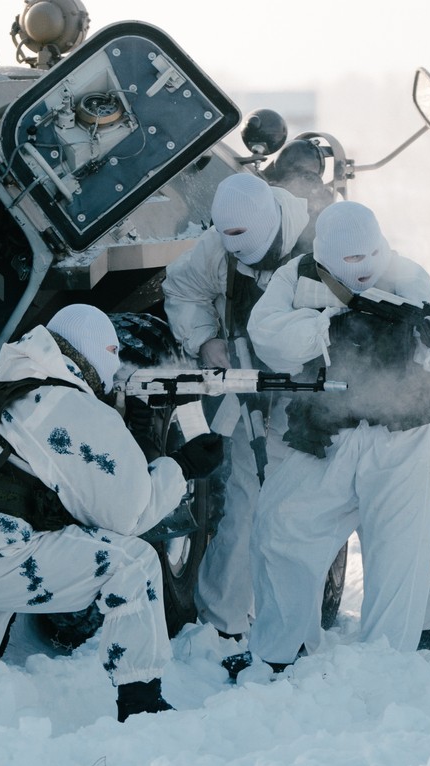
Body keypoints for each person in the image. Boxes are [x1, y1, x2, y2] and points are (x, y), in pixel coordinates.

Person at [0, 304, 224, 721]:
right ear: (101, 354)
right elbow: (129, 518)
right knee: (133, 564)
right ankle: (143, 705)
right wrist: (184, 466)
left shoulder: (2, 391)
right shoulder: (69, 404)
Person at [239, 200, 430, 672]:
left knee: (398, 551)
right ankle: (279, 654)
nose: (367, 267)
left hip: (402, 432)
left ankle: (385, 664)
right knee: (281, 530)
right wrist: (329, 328)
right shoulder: (296, 277)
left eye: (372, 254)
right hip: (324, 430)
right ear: (328, 256)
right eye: (352, 260)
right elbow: (266, 336)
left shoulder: (406, 274)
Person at [162, 171, 311, 639]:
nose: (235, 251)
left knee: (310, 510)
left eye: (244, 242)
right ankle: (224, 622)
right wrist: (206, 340)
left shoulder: (317, 245)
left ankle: (301, 621)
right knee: (246, 502)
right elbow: (182, 290)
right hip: (251, 394)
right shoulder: (217, 247)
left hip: (316, 399)